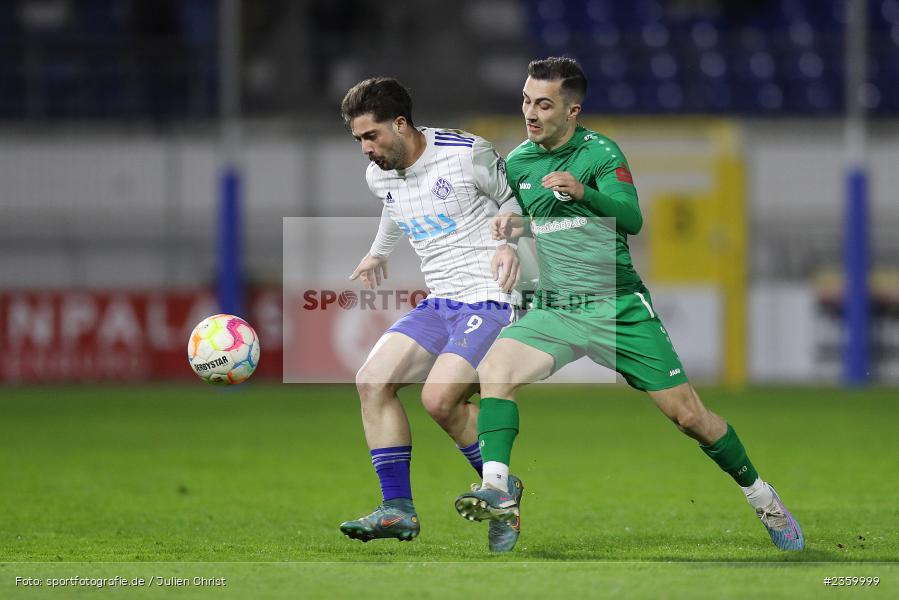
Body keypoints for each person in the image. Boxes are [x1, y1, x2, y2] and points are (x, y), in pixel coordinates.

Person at [454, 57, 804, 552]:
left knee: (690, 418)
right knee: (495, 370)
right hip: (558, 308)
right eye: (526, 101)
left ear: (573, 110)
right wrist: (513, 235)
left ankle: (762, 496)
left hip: (617, 307)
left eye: (544, 104)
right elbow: (531, 225)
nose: (531, 113)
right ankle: (498, 488)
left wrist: (585, 193)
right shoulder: (518, 164)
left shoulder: (600, 154)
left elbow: (631, 218)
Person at [337, 77, 526, 552]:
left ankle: (499, 489)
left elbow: (515, 200)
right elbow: (393, 207)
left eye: (371, 136)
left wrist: (506, 243)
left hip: (492, 297)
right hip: (441, 301)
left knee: (439, 400)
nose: (365, 149)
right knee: (371, 380)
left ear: (400, 124)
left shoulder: (467, 154)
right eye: (358, 139)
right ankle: (397, 510)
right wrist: (378, 253)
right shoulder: (379, 172)